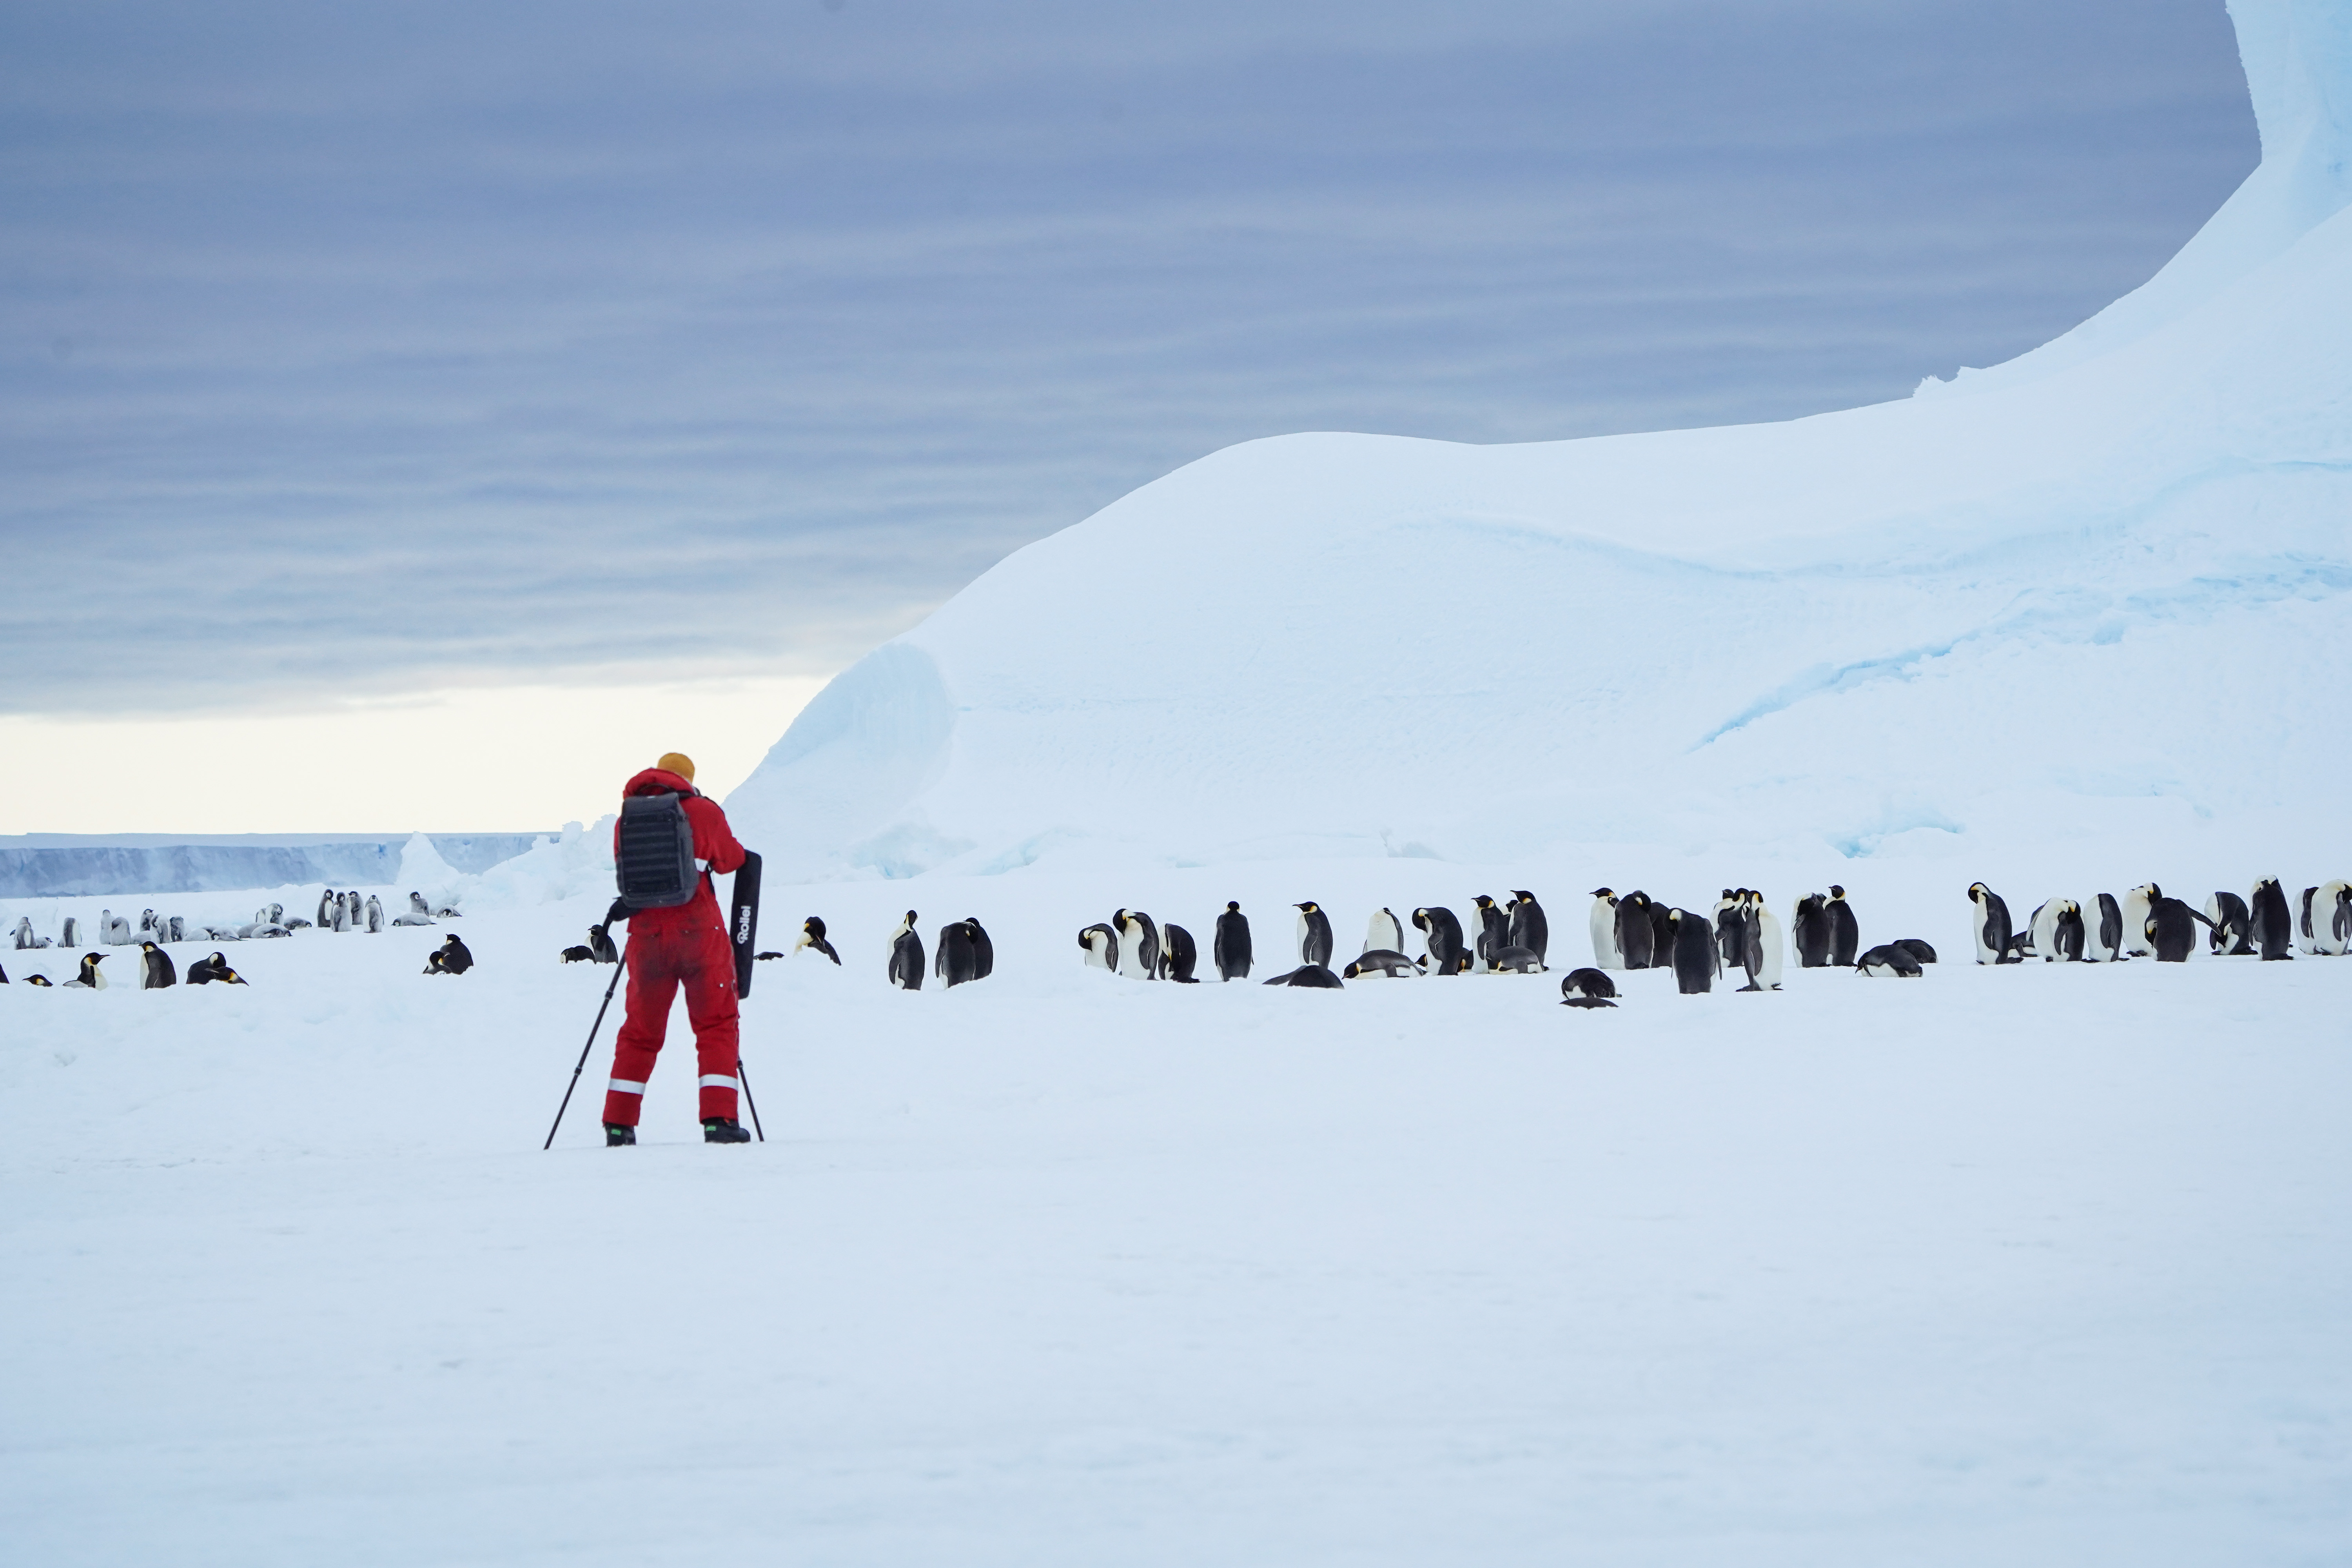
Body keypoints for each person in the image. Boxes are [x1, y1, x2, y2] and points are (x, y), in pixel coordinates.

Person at [601, 752, 752, 1146]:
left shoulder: (626, 820)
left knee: (639, 1030)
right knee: (716, 1023)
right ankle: (719, 1120)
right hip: (698, 931)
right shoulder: (702, 812)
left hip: (646, 934)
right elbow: (732, 860)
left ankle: (619, 1124)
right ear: (687, 779)